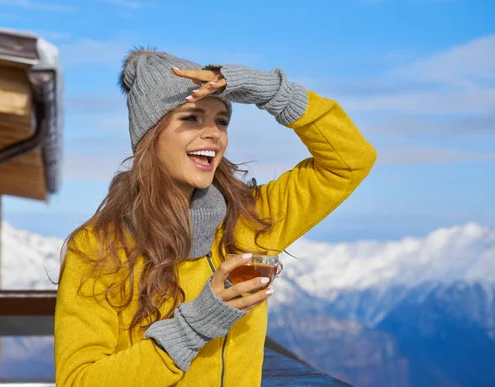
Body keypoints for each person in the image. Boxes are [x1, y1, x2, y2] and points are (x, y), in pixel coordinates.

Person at [54, 48, 376, 387]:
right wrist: (193, 326)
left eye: (221, 120)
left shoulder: (253, 219)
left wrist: (270, 91)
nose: (214, 134)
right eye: (192, 117)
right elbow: (79, 380)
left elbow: (350, 160)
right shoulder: (98, 247)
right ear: (150, 136)